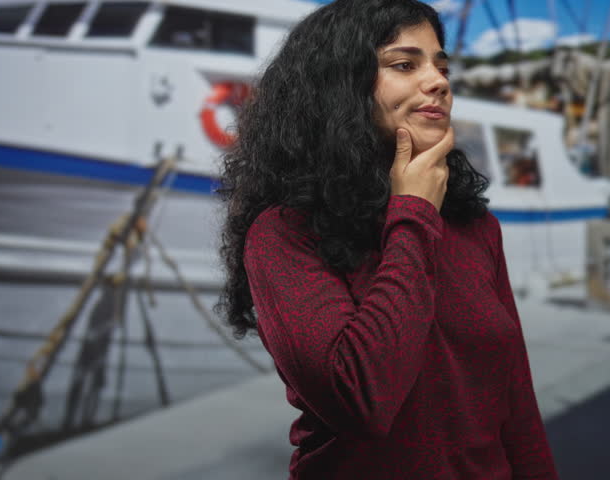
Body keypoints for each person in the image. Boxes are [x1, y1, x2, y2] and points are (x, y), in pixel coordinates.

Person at [216, 0, 559, 478]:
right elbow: (362, 398)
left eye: (442, 67)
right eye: (404, 65)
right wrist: (413, 215)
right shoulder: (284, 232)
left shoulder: (475, 226)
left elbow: (517, 404)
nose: (439, 82)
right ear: (341, 84)